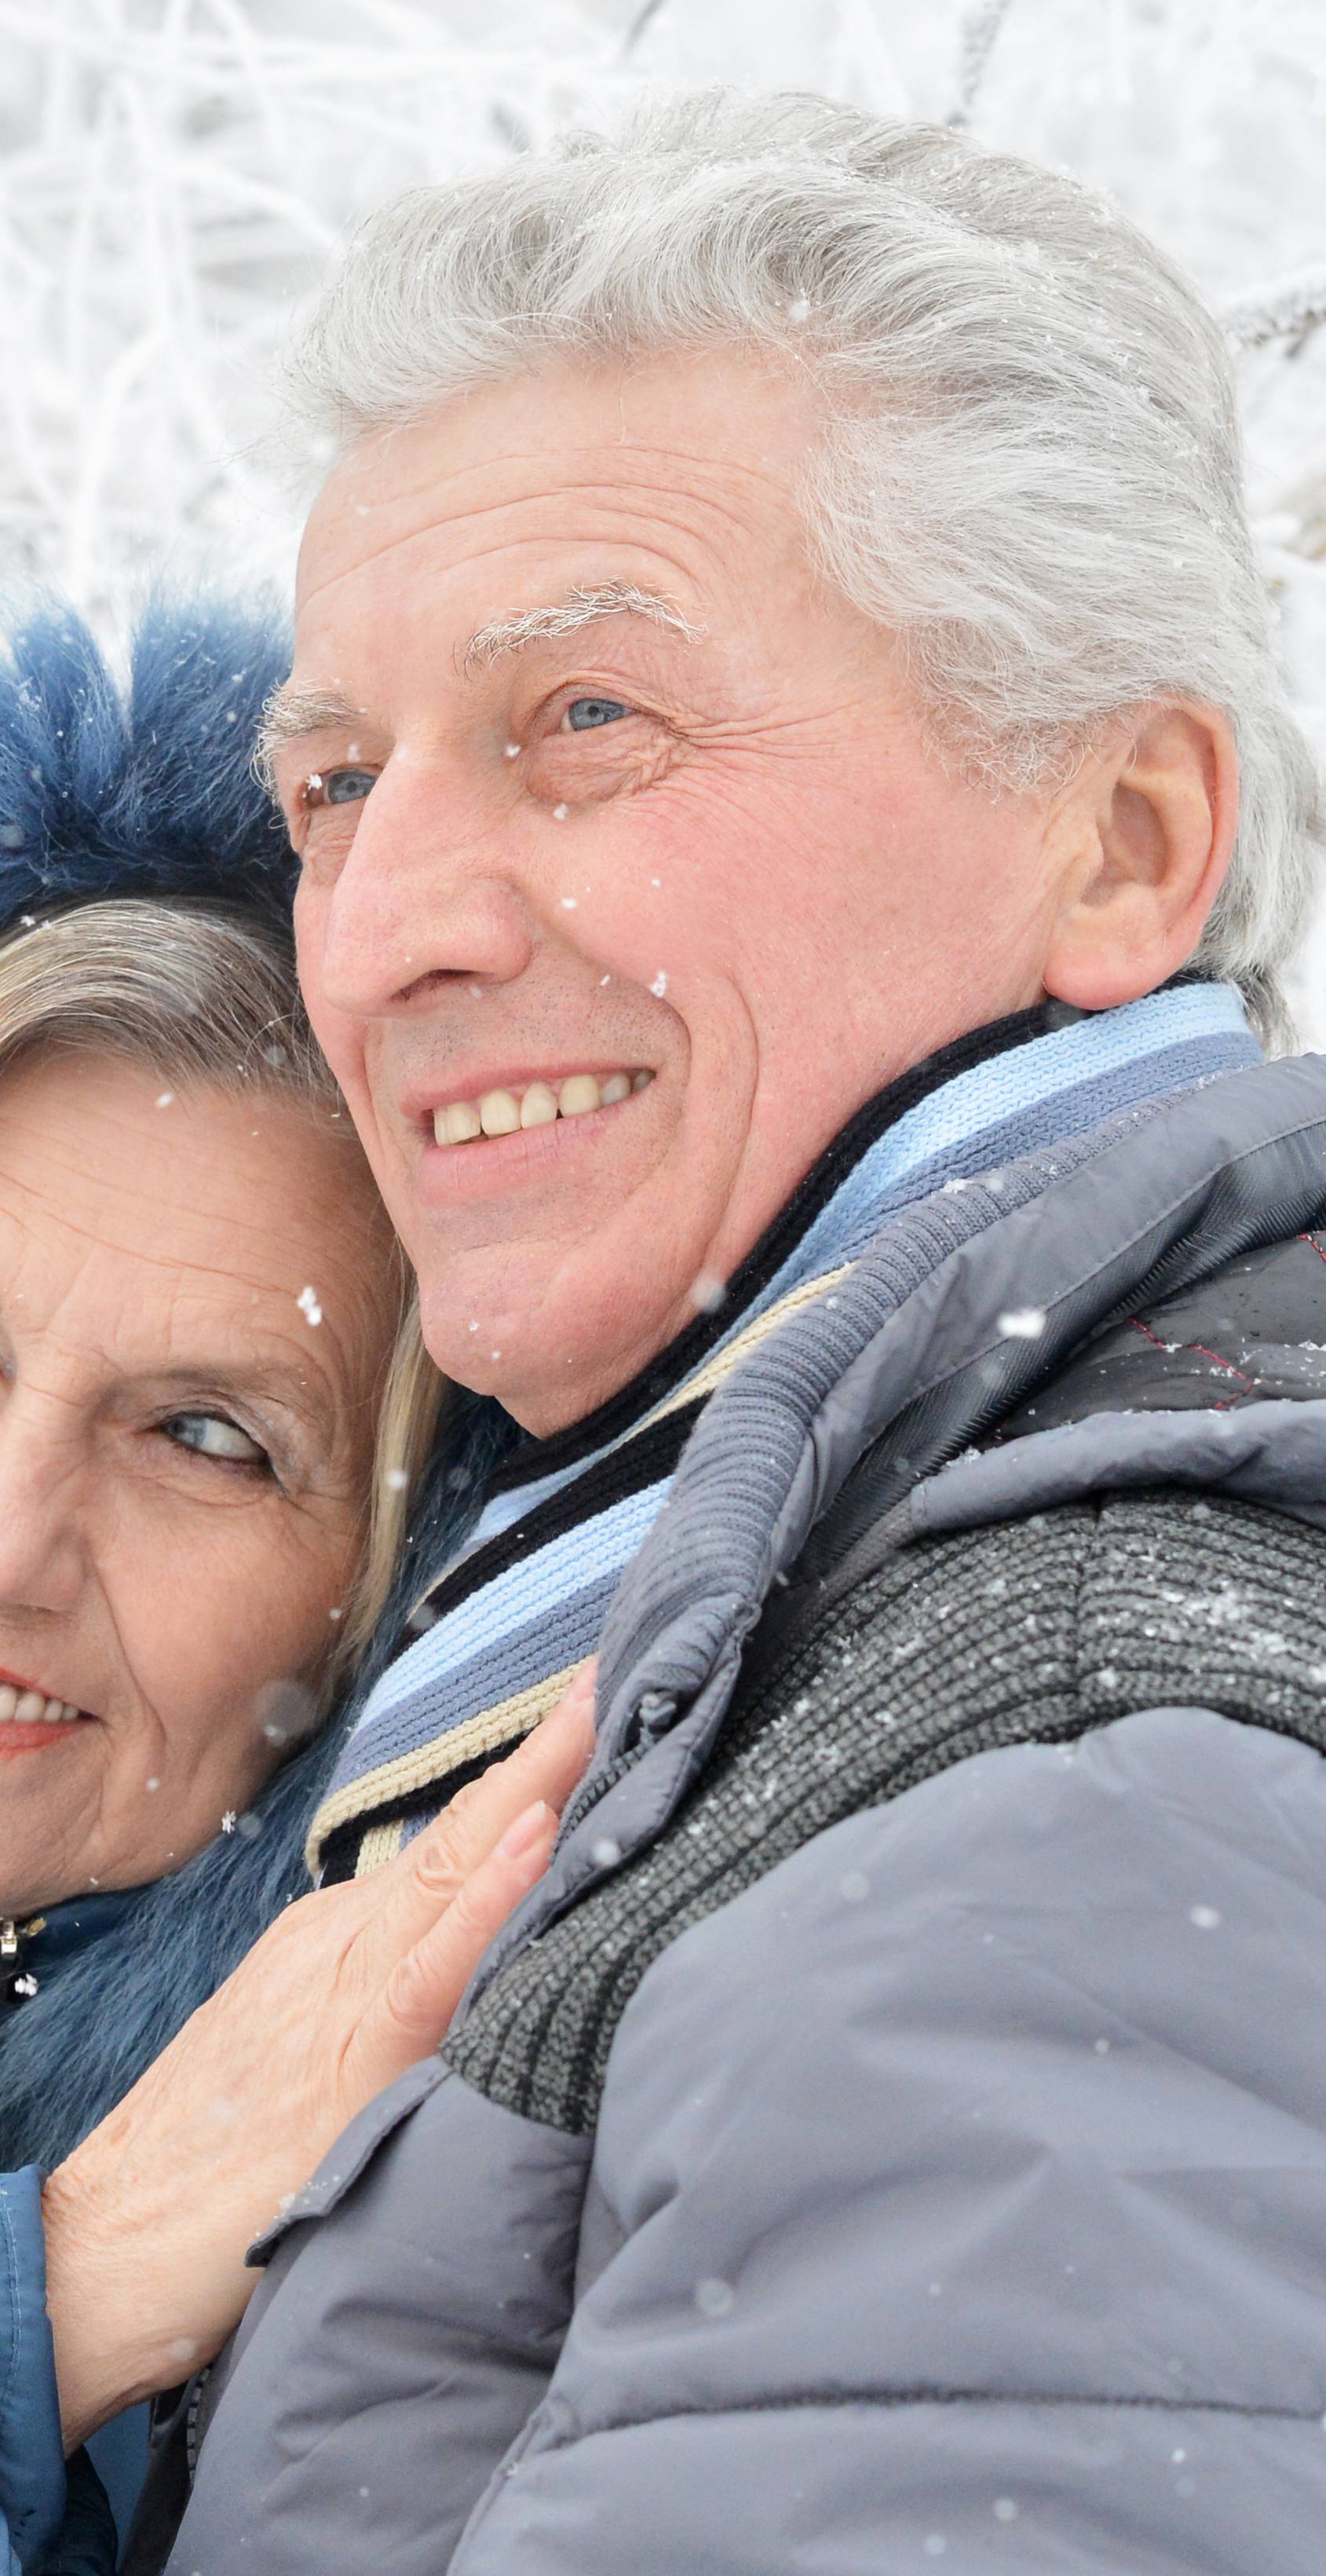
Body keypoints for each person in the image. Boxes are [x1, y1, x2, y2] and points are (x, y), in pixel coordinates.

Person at [117, 92, 1326, 2574]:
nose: (380, 925)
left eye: (587, 723)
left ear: (1123, 840)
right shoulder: (744, 1660)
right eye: (330, 780)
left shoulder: (1093, 1804)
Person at [0, 598, 593, 2576]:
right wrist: (54, 2292)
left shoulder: (409, 2349)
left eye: (209, 1438)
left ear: (383, 1604)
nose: (11, 1537)